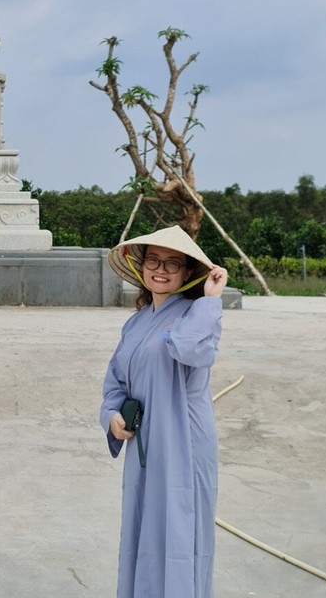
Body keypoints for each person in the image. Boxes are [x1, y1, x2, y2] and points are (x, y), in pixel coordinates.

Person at [99, 225, 229, 598]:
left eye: (173, 263)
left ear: (188, 273)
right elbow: (115, 383)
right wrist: (112, 416)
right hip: (144, 446)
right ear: (140, 266)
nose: (161, 269)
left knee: (181, 530)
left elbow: (189, 350)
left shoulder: (199, 315)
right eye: (153, 260)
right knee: (144, 527)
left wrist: (211, 299)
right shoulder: (135, 323)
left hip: (184, 442)